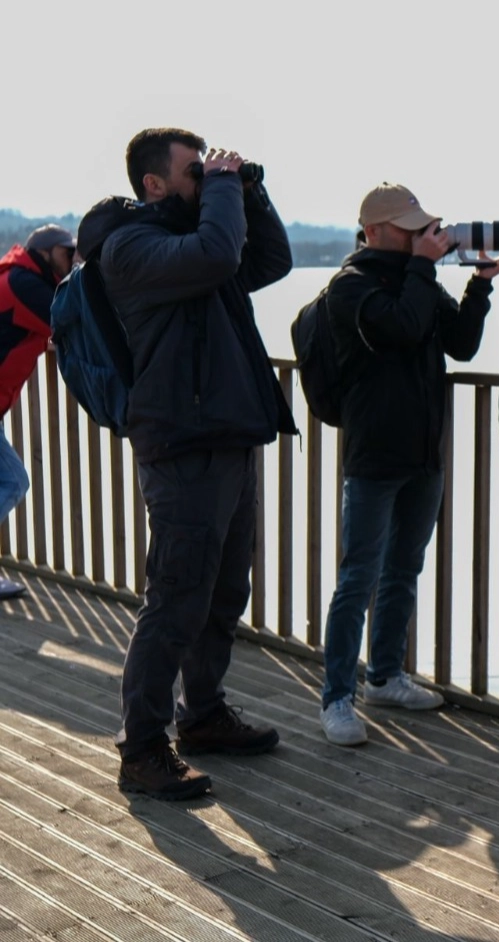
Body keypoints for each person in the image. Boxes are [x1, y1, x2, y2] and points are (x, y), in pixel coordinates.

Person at [82, 127, 296, 801]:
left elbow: (271, 259)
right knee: (176, 600)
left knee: (224, 593)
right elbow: (216, 252)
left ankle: (202, 716)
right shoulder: (133, 248)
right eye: (194, 170)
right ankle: (142, 750)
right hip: (182, 449)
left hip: (228, 438)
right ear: (153, 184)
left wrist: (248, 192)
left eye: (210, 169)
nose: (206, 177)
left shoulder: (198, 242)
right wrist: (225, 190)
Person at [318, 184, 499, 746]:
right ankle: (337, 697)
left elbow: (458, 344)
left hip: (424, 453)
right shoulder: (351, 288)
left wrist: (480, 285)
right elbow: (402, 326)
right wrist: (424, 270)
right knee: (357, 578)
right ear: (379, 230)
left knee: (403, 570)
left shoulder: (418, 280)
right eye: (412, 227)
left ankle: (384, 676)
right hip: (374, 455)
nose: (424, 236)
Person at [0, 225, 78, 600]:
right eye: (68, 253)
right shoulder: (24, 285)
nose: (73, 260)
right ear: (45, 253)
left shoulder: (19, 279)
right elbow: (70, 323)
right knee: (13, 482)